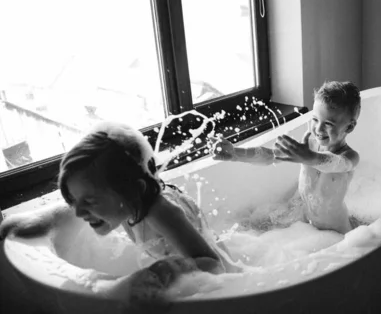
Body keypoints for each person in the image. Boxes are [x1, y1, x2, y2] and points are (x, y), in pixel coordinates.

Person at [0, 121, 234, 291]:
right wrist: (27, 223)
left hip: (226, 278)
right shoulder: (124, 201)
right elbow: (66, 211)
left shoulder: (161, 212)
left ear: (135, 191)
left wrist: (168, 271)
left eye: (89, 201)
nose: (79, 212)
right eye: (73, 199)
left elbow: (214, 266)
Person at [211, 80, 361, 234]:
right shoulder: (308, 143)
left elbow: (334, 163)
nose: (318, 128)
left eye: (328, 123)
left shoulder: (349, 156)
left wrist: (310, 158)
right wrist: (236, 153)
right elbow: (270, 156)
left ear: (349, 127)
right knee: (254, 227)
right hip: (306, 223)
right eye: (315, 119)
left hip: (338, 232)